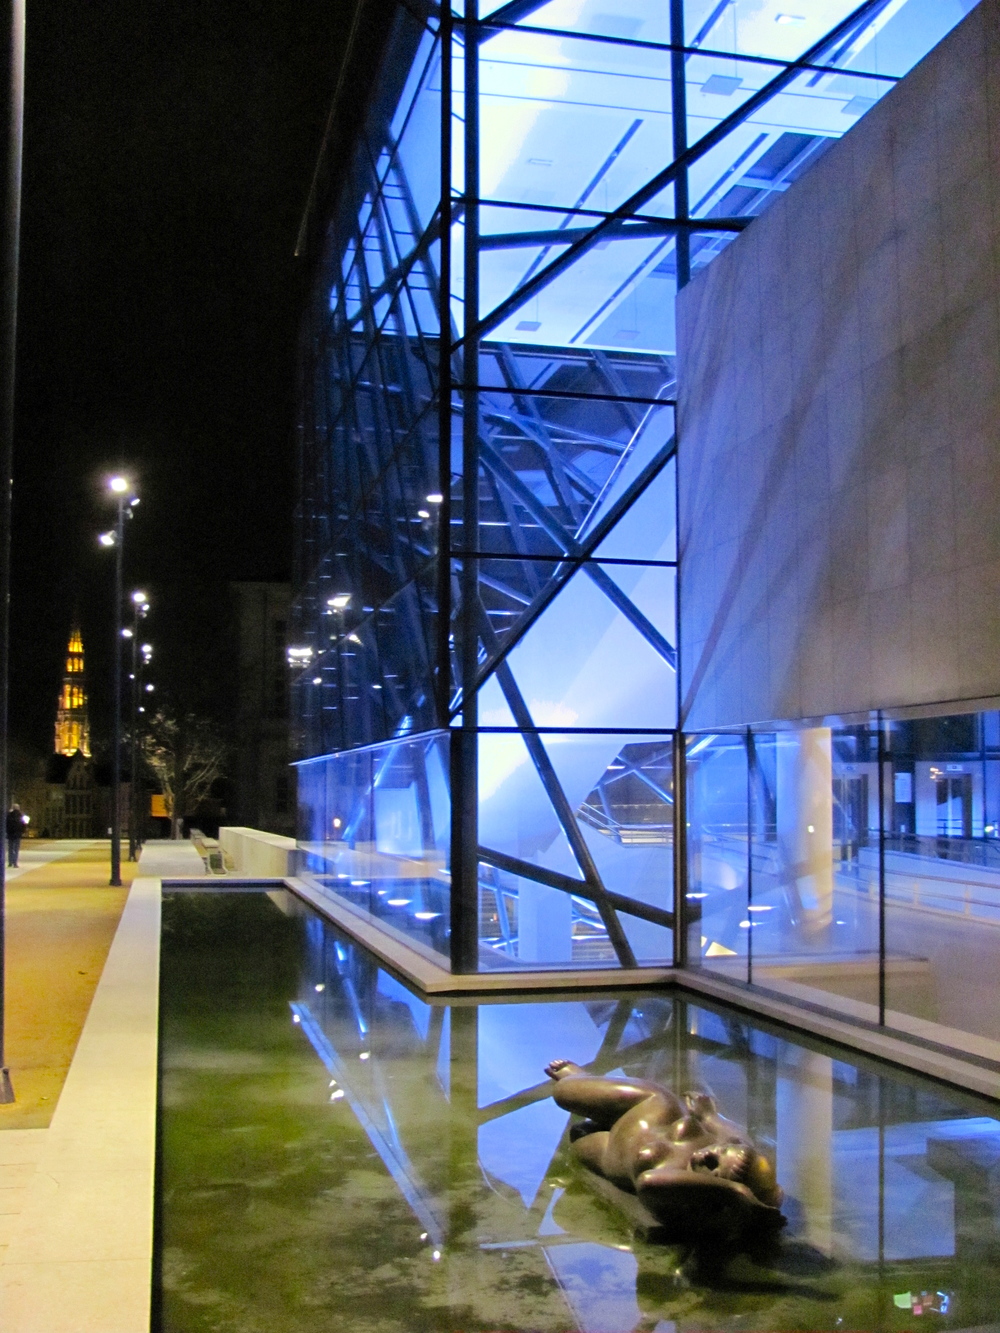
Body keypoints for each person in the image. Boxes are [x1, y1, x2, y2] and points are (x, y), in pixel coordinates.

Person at [545, 1058, 784, 1245]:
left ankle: (598, 1112)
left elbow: (648, 1181)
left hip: (613, 1148)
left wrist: (735, 1192)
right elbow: (733, 1133)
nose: (707, 1154)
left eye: (713, 1166)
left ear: (716, 1191)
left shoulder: (677, 1194)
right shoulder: (735, 1145)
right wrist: (709, 1115)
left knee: (578, 1143)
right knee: (563, 1091)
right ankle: (585, 1080)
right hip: (647, 1103)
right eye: (718, 1150)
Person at [5, 804, 27, 868]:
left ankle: (10, 862)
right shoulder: (22, 815)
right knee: (16, 849)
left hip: (10, 834)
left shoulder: (9, 815)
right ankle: (15, 863)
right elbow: (24, 825)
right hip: (18, 834)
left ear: (12, 808)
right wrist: (23, 832)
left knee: (10, 849)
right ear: (18, 808)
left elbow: (6, 824)